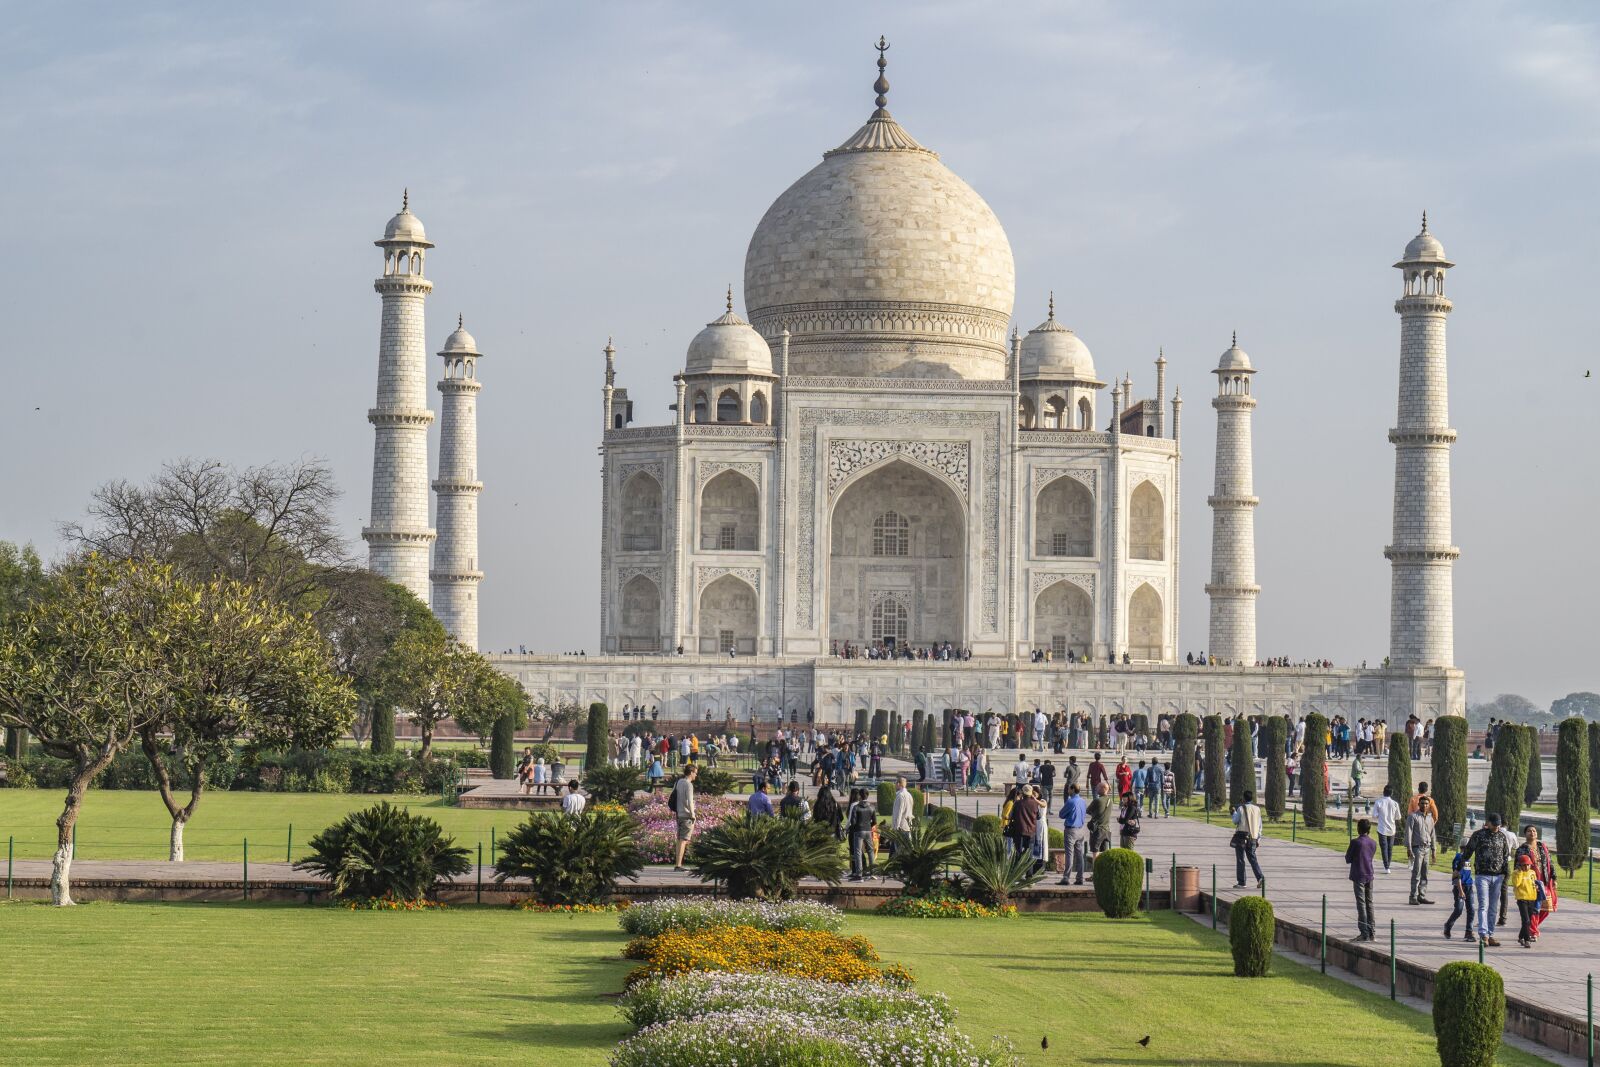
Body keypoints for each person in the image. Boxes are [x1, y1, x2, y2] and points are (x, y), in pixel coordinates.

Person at [1461, 813, 1510, 947]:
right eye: (1494, 825)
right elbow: (1467, 854)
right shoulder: (1478, 835)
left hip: (1498, 876)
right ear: (1488, 823)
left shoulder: (1501, 836)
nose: (1496, 827)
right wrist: (1463, 871)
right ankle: (1483, 935)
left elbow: (1505, 856)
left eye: (1498, 825)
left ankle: (1491, 934)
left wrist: (1506, 874)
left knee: (1493, 908)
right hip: (1482, 875)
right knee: (1484, 905)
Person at [1516, 825, 1556, 940]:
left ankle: (1529, 927)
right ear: (1525, 834)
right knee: (1535, 908)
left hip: (1545, 881)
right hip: (1531, 883)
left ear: (1536, 834)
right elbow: (1518, 868)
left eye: (1534, 831)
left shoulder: (1542, 847)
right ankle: (1533, 931)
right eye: (1529, 831)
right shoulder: (1522, 849)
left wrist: (1554, 878)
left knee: (1547, 908)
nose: (1532, 832)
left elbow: (1550, 862)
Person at [1345, 818, 1377, 942]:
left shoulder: (1356, 842)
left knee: (1361, 904)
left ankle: (1364, 933)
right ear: (1369, 830)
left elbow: (1348, 858)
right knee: (1369, 903)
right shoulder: (1373, 843)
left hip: (1359, 874)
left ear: (1358, 829)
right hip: (1369, 874)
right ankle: (1372, 932)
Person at [1231, 790, 1265, 889]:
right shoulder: (1257, 809)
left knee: (1241, 859)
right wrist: (1258, 838)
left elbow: (1235, 821)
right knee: (1253, 859)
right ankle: (1260, 877)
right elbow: (1260, 825)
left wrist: (1233, 812)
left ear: (1244, 798)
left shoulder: (1241, 808)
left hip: (1242, 837)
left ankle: (1242, 882)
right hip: (1253, 837)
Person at [1405, 799, 1436, 905]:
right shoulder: (1413, 816)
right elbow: (1408, 833)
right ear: (1418, 804)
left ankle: (1421, 896)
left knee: (1425, 874)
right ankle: (1412, 897)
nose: (1424, 805)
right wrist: (1409, 848)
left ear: (1429, 805)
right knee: (1416, 873)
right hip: (1417, 848)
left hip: (1427, 848)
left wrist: (1433, 850)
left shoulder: (1430, 818)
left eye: (1426, 804)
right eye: (1422, 803)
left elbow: (1432, 834)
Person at [1058, 783, 1089, 886]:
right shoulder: (1082, 801)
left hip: (1071, 830)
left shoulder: (1070, 801)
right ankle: (1080, 878)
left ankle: (1066, 877)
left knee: (1069, 854)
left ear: (1072, 789)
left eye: (1069, 789)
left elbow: (1061, 814)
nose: (1067, 791)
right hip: (1080, 829)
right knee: (1080, 855)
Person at [1443, 844, 1475, 941]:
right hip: (1459, 888)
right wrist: (1461, 891)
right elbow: (1457, 876)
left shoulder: (1468, 860)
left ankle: (1468, 932)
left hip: (1469, 887)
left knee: (1471, 910)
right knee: (1459, 910)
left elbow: (1467, 873)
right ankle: (1448, 925)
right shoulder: (1458, 859)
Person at [669, 764, 697, 870]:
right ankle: (678, 865)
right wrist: (693, 815)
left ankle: (678, 864)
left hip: (679, 814)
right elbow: (690, 802)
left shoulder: (678, 782)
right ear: (691, 773)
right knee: (683, 840)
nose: (696, 775)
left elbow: (672, 795)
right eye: (695, 773)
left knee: (679, 840)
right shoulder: (688, 785)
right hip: (686, 816)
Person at [847, 788, 878, 881]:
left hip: (858, 831)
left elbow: (853, 821)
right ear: (867, 796)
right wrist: (868, 826)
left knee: (858, 852)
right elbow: (875, 821)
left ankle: (859, 874)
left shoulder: (856, 807)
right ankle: (872, 872)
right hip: (868, 830)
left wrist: (856, 827)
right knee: (870, 851)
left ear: (860, 796)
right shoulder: (872, 807)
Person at [1511, 854, 1540, 948]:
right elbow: (1516, 884)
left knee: (1528, 921)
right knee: (1526, 920)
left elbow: (1534, 882)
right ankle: (1527, 940)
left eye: (1528, 865)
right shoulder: (1516, 873)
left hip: (1531, 898)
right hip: (1522, 899)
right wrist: (1520, 873)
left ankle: (1520, 937)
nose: (1526, 867)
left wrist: (1536, 887)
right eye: (1524, 865)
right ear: (1520, 865)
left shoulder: (1532, 872)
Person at [1371, 785, 1401, 875]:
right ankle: (1388, 865)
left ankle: (1386, 866)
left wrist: (1381, 815)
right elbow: (1398, 817)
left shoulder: (1378, 802)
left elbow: (1374, 815)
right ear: (1391, 793)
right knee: (1390, 848)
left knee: (1384, 847)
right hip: (1391, 829)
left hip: (1382, 828)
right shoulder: (1395, 803)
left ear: (1383, 792)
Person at [1087, 782, 1113, 858]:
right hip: (1106, 830)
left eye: (1098, 787)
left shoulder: (1097, 800)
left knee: (1095, 852)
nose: (1096, 789)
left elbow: (1088, 811)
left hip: (1097, 830)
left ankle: (1095, 869)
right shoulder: (1110, 801)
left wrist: (1094, 814)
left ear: (1103, 789)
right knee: (1105, 853)